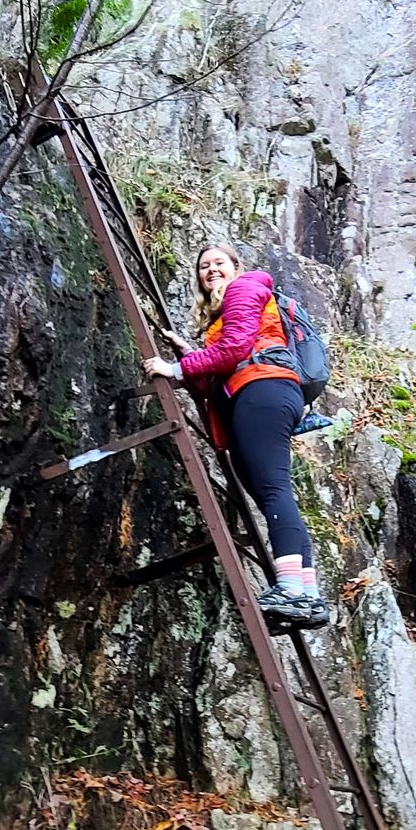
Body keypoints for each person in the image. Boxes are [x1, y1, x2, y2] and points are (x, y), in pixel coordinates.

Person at [143, 244, 329, 631]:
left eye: (219, 263)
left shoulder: (246, 287)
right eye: (203, 266)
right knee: (272, 495)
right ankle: (307, 597)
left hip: (263, 388)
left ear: (235, 268)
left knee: (274, 490)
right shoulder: (222, 317)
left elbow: (236, 350)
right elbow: (219, 370)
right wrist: (192, 358)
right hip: (254, 393)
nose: (211, 269)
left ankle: (292, 590)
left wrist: (175, 368)